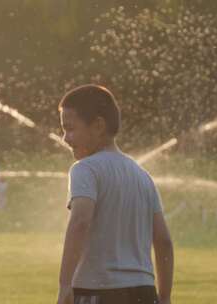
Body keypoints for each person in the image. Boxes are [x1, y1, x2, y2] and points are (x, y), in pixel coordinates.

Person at [56, 85, 174, 304]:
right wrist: (164, 296)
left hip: (98, 291)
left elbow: (80, 221)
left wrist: (65, 284)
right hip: (144, 293)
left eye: (70, 128)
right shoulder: (142, 176)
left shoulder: (85, 169)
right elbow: (164, 241)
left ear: (98, 126)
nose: (64, 138)